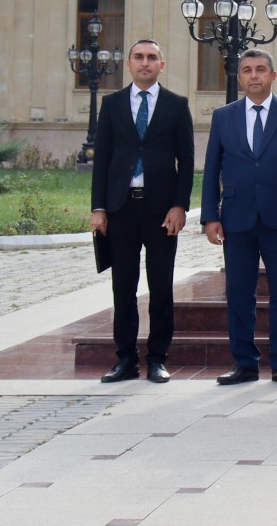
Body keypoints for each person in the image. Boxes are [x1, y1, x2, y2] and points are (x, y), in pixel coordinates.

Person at [201, 48, 277, 386]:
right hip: (237, 218)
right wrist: (209, 216)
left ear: (272, 76)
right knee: (239, 292)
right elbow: (211, 169)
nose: (253, 76)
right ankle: (245, 362)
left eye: (260, 69)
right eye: (247, 70)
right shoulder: (223, 116)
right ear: (239, 77)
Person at [90, 38, 195, 383]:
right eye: (139, 57)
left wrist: (180, 206)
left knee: (161, 286)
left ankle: (158, 358)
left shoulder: (176, 106)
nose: (145, 63)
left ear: (161, 65)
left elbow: (188, 161)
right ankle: (125, 359)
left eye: (152, 58)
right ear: (129, 63)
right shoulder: (112, 104)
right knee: (123, 287)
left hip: (161, 211)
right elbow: (102, 159)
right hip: (120, 208)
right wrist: (98, 207)